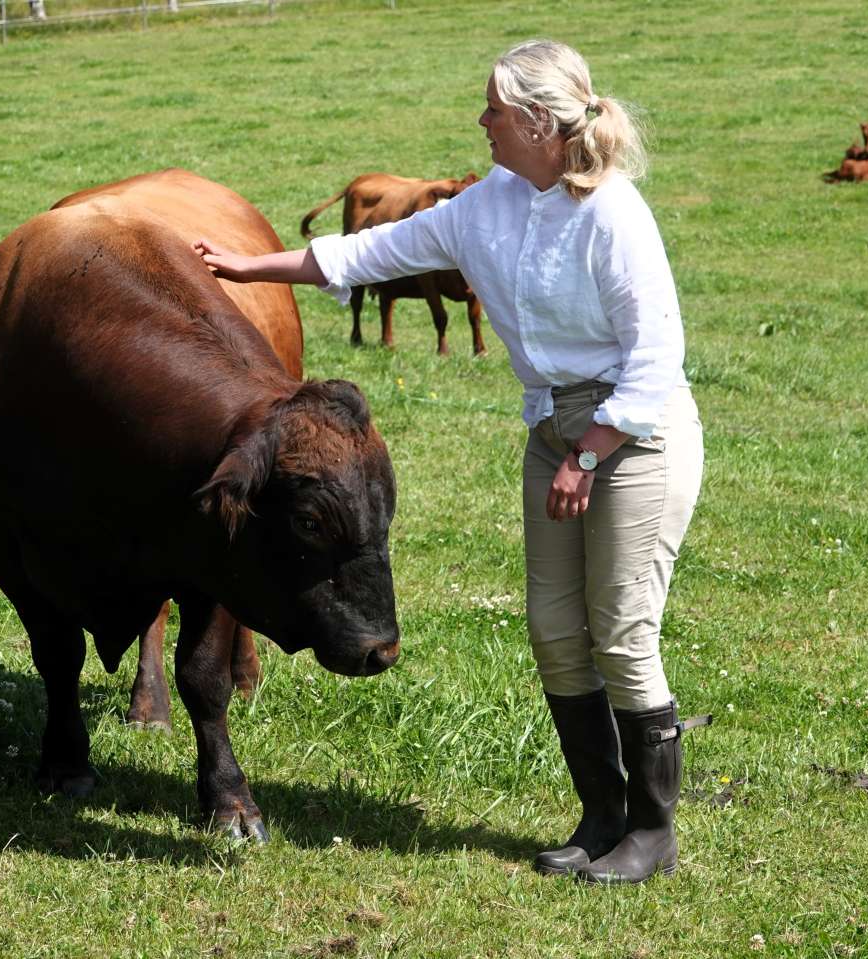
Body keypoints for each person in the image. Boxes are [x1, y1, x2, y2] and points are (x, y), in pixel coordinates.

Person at [194, 39, 709, 885]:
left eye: (495, 110)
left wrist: (591, 451)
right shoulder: (487, 206)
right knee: (554, 630)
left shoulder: (614, 214)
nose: (482, 122)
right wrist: (246, 265)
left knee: (620, 628)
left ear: (540, 122)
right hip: (555, 432)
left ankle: (652, 834)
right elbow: (367, 255)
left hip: (634, 434)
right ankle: (602, 815)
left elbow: (656, 358)